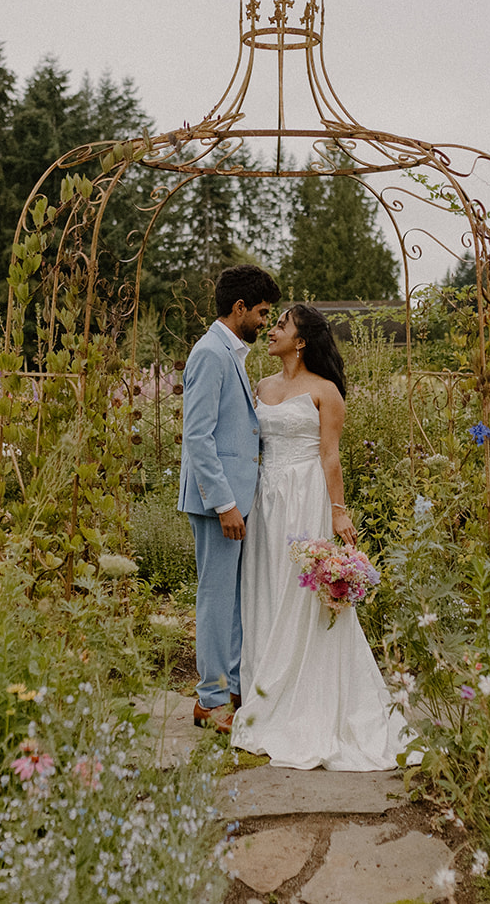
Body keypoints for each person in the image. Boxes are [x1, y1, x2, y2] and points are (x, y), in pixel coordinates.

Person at [230, 303, 410, 770]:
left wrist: (338, 512)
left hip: (305, 495)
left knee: (300, 592)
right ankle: (266, 688)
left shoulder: (326, 393)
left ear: (302, 340)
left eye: (281, 326)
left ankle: (308, 696)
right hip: (265, 498)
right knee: (265, 586)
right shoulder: (262, 387)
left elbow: (330, 457)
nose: (271, 331)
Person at [178, 264, 279, 733]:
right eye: (262, 312)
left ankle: (232, 689)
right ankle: (211, 699)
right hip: (218, 504)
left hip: (236, 500)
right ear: (239, 308)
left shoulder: (231, 353)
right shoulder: (210, 354)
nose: (265, 321)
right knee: (217, 598)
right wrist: (224, 504)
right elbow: (198, 437)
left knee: (234, 598)